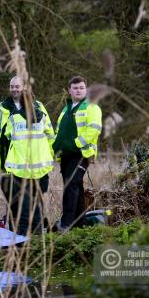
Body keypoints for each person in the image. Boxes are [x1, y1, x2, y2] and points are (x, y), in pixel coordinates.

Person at [0, 76, 55, 235]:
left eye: (17, 86)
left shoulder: (14, 117)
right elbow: (49, 134)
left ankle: (21, 240)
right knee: (33, 205)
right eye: (12, 86)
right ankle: (37, 238)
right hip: (38, 167)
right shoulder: (2, 108)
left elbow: (3, 138)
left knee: (22, 207)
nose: (14, 89)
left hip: (18, 168)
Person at [53, 76, 102, 232]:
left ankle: (66, 223)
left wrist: (75, 143)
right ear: (69, 90)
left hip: (81, 153)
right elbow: (58, 132)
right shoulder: (66, 109)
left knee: (71, 185)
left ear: (85, 89)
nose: (78, 90)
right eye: (75, 88)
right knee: (76, 186)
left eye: (81, 87)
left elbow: (94, 129)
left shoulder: (91, 107)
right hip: (66, 155)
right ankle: (79, 224)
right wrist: (56, 147)